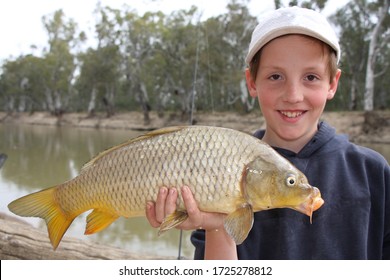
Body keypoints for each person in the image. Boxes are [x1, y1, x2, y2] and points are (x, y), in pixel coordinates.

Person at [145, 6, 390, 259]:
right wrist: (217, 226)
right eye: (275, 76)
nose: (293, 96)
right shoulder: (217, 170)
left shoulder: (373, 172)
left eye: (311, 77)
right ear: (252, 82)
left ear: (333, 83)